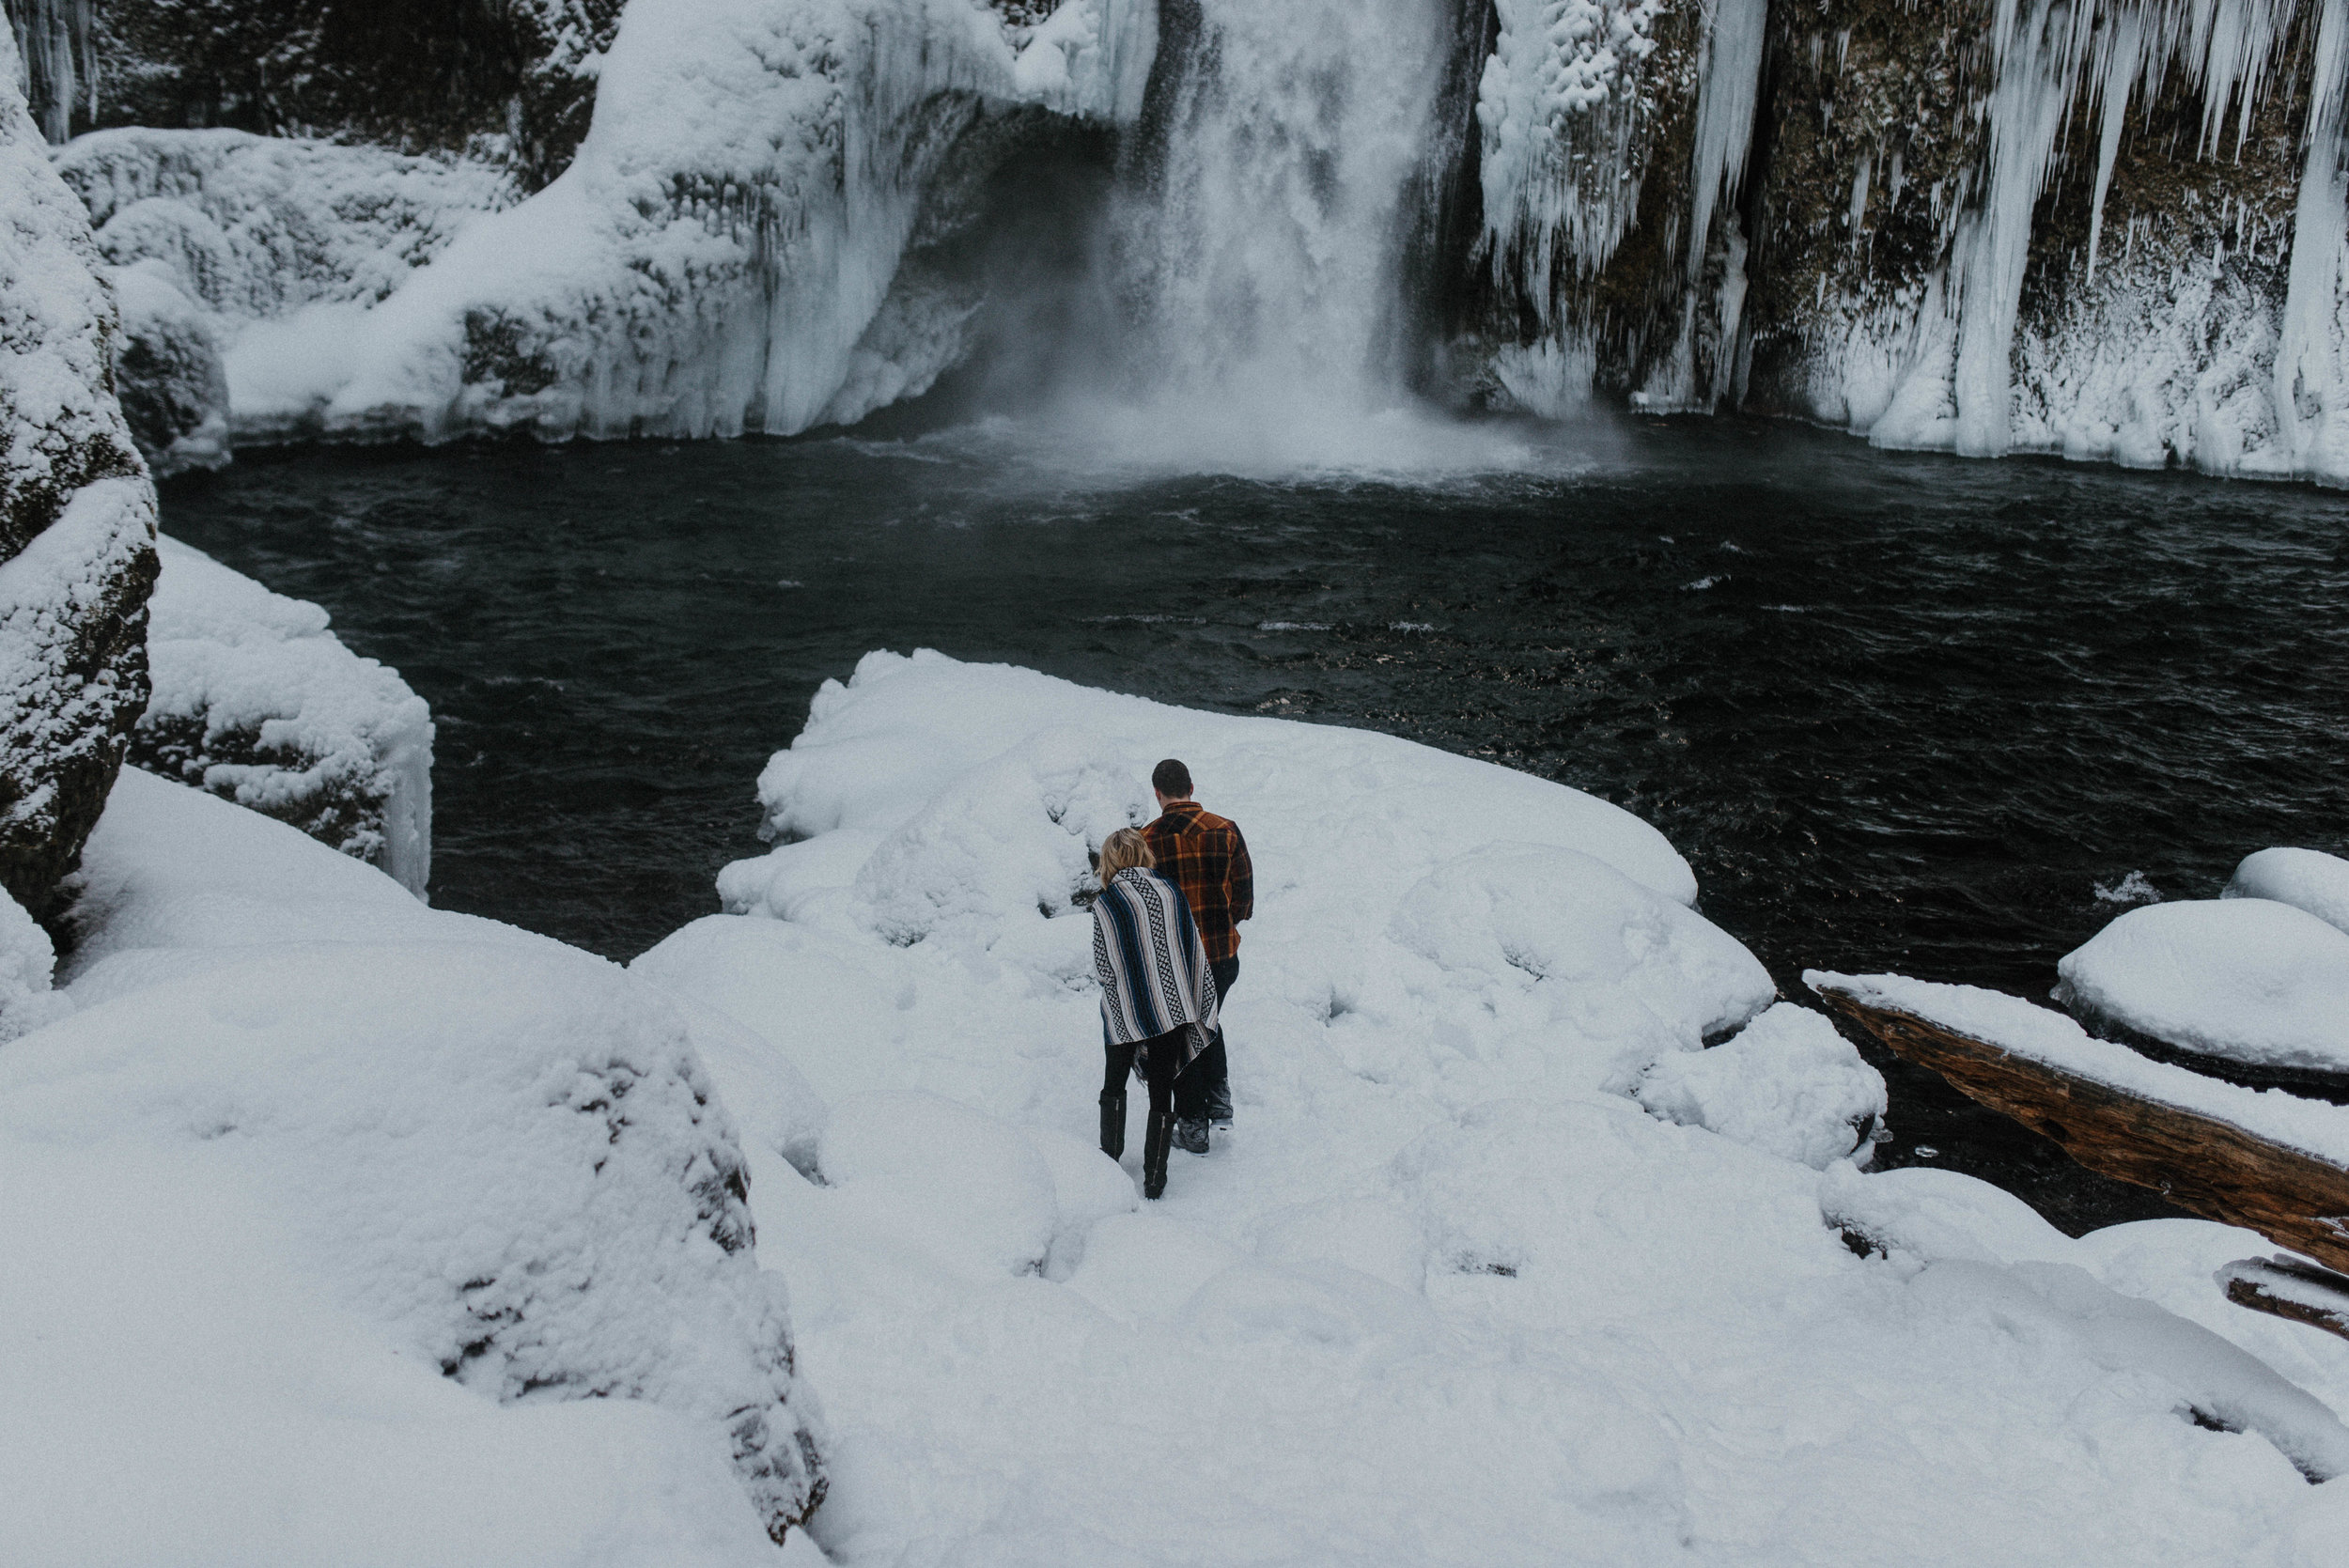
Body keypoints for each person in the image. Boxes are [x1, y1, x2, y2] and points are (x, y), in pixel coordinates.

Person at [1089, 827, 1221, 1201]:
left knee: (1114, 1082)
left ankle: (1109, 1160)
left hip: (1125, 1009)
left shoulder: (1106, 904)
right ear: (1143, 853)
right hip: (1173, 1006)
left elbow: (1103, 966)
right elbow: (1189, 945)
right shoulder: (1171, 891)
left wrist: (1131, 985)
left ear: (1110, 861)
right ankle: (1155, 1180)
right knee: (1162, 1092)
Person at [1142, 757, 1252, 1156]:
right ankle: (1219, 1103)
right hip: (1222, 957)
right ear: (1192, 786)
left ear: (1158, 794)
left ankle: (1193, 1126)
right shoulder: (1225, 830)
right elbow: (1243, 901)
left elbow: (1141, 908)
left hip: (1174, 961)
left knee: (1180, 1038)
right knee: (1208, 1021)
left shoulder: (1145, 840)